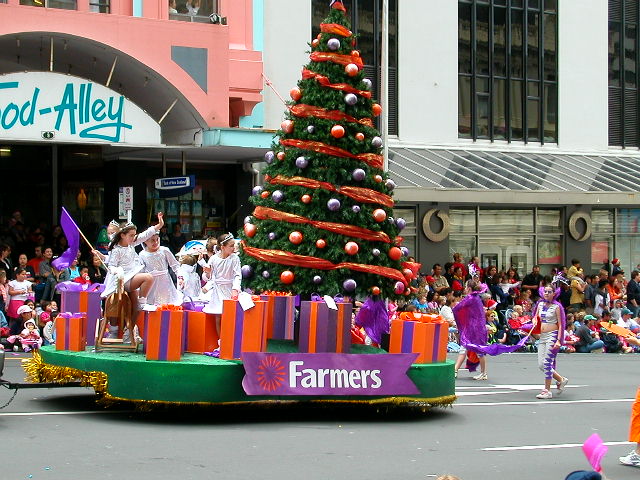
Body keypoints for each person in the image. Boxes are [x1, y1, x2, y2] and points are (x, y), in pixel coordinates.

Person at [94, 213, 165, 311]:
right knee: (148, 277)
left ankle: (132, 324)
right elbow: (111, 264)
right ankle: (142, 303)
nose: (133, 237)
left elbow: (145, 235)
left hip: (131, 276)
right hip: (122, 279)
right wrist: (117, 270)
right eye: (131, 235)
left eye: (134, 235)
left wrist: (159, 225)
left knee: (136, 309)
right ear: (122, 235)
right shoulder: (116, 248)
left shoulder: (131, 243)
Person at [201, 233, 241, 342]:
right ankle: (221, 341)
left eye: (234, 245)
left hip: (229, 289)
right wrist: (208, 273)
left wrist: (235, 289)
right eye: (231, 246)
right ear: (223, 247)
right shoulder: (213, 259)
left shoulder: (234, 258)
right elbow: (207, 277)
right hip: (218, 290)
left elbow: (238, 275)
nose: (234, 248)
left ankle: (231, 341)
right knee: (218, 316)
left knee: (229, 315)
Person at [532, 284, 568, 400]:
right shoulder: (540, 304)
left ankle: (547, 390)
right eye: (545, 291)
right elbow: (535, 317)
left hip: (552, 336)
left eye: (549, 292)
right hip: (542, 337)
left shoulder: (557, 307)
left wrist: (559, 340)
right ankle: (561, 379)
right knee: (541, 365)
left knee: (547, 363)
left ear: (554, 293)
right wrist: (533, 321)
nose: (546, 294)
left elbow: (561, 324)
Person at [139, 231, 182, 306]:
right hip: (151, 282)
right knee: (152, 303)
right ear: (145, 241)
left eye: (157, 239)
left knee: (167, 302)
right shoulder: (142, 254)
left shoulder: (164, 250)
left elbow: (175, 265)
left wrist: (180, 276)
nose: (155, 242)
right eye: (152, 240)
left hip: (165, 281)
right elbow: (141, 271)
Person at [7, 268, 33, 336]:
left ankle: (25, 332)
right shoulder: (12, 283)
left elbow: (30, 292)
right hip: (15, 302)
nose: (24, 276)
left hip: (25, 302)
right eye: (22, 274)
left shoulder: (28, 283)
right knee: (14, 318)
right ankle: (11, 333)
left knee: (24, 317)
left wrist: (29, 293)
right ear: (17, 275)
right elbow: (10, 292)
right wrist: (19, 292)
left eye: (25, 274)